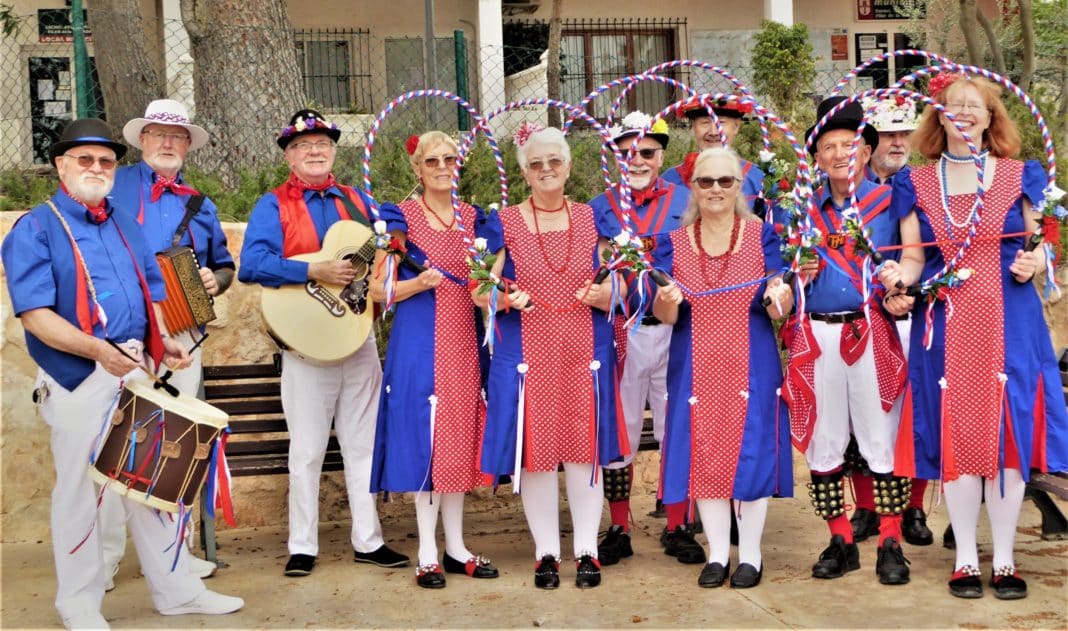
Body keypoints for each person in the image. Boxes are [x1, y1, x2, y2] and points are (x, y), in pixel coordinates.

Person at [1, 118, 244, 629]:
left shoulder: (123, 223)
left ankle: (176, 592)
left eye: (105, 161)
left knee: (153, 486)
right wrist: (98, 350)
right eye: (84, 159)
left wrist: (167, 343)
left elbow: (153, 293)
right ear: (61, 165)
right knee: (82, 492)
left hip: (135, 368)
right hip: (78, 375)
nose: (96, 168)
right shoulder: (36, 227)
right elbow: (36, 317)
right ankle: (79, 602)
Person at [880, 74, 1068, 599]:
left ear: (991, 117)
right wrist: (899, 278)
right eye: (952, 107)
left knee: (1006, 436)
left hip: (1011, 321)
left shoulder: (1018, 173)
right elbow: (915, 258)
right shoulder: (916, 182)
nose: (963, 113)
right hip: (946, 325)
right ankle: (964, 558)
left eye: (974, 106)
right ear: (938, 117)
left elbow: (1039, 245)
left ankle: (1004, 560)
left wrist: (1036, 260)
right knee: (959, 437)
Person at [238, 109, 409, 577]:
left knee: (363, 446)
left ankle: (368, 540)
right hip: (306, 343)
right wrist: (312, 270)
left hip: (356, 337)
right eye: (303, 146)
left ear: (334, 151)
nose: (315, 151)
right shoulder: (271, 204)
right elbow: (252, 264)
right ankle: (302, 545)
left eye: (323, 144)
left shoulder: (357, 201)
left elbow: (389, 244)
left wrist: (395, 235)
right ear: (290, 157)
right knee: (308, 449)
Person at [477, 124, 626, 590]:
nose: (546, 170)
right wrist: (504, 299)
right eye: (536, 164)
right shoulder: (503, 222)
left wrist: (606, 293)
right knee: (536, 455)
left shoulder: (592, 218)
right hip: (528, 353)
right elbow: (479, 287)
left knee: (585, 453)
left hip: (585, 350)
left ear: (568, 166)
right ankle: (545, 552)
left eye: (554, 162)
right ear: (524, 172)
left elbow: (623, 282)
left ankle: (587, 551)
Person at [99, 98, 235, 587]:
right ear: (142, 140)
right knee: (116, 442)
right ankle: (105, 558)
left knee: (174, 442)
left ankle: (176, 554)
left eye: (177, 137)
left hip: (181, 330)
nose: (168, 144)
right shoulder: (115, 185)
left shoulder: (200, 203)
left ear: (186, 146)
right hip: (127, 331)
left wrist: (215, 280)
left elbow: (225, 265)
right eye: (159, 134)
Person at [782, 96, 911, 586]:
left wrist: (903, 285)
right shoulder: (802, 212)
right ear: (817, 157)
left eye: (850, 144)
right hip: (817, 336)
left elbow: (912, 260)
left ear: (866, 151)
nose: (840, 154)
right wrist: (798, 271)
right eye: (829, 146)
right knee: (825, 439)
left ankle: (891, 542)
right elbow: (783, 274)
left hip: (871, 330)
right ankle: (839, 538)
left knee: (881, 438)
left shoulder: (892, 202)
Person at [651, 146, 793, 589]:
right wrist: (666, 299)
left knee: (751, 450)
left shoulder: (763, 236)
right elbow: (666, 316)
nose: (716, 190)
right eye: (706, 181)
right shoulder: (671, 242)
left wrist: (779, 298)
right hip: (695, 362)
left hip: (751, 361)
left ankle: (749, 554)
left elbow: (777, 305)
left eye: (725, 181)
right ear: (692, 188)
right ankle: (716, 553)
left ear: (739, 187)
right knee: (705, 451)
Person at [369, 131, 501, 588]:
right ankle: (427, 549)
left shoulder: (475, 220)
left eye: (450, 159)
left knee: (458, 439)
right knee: (426, 438)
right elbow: (377, 290)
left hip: (464, 343)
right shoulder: (399, 218)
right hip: (420, 342)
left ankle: (456, 547)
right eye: (432, 161)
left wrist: (491, 294)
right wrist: (418, 284)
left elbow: (485, 285)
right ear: (417, 169)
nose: (442, 167)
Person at [588, 111, 696, 566]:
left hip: (675, 330)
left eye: (647, 151)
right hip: (622, 331)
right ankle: (617, 526)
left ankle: (678, 525)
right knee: (620, 429)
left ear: (662, 156)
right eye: (627, 150)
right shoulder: (599, 206)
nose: (638, 159)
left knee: (676, 427)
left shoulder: (687, 199)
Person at [846, 95, 934, 547]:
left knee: (913, 412)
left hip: (914, 315)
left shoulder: (924, 183)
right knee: (862, 415)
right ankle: (865, 507)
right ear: (868, 140)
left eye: (905, 133)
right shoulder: (848, 189)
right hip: (859, 320)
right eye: (889, 133)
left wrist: (907, 296)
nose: (899, 142)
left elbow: (928, 255)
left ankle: (914, 508)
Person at [663, 96, 765, 215]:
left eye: (721, 122)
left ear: (736, 127)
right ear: (693, 127)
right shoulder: (670, 180)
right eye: (705, 122)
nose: (713, 132)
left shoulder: (758, 178)